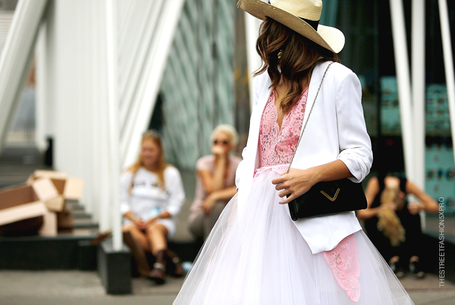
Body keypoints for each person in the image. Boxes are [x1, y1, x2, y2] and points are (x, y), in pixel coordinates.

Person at [174, 0, 414, 304]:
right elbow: (252, 152)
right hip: (258, 218)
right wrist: (241, 203)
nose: (265, 35)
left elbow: (361, 155)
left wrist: (310, 176)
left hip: (312, 218)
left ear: (287, 34)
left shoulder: (337, 79)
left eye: (271, 28)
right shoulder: (265, 82)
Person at [120, 130, 185, 284]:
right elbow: (121, 202)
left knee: (153, 228)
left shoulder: (170, 173)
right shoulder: (130, 173)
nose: (147, 154)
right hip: (135, 220)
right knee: (126, 230)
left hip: (161, 220)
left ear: (159, 151)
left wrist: (155, 218)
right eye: (144, 150)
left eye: (151, 150)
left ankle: (160, 266)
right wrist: (134, 218)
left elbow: (177, 201)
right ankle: (167, 258)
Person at [357, 173, 439, 279]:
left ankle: (414, 260)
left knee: (413, 215)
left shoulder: (405, 184)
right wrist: (382, 208)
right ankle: (393, 260)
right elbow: (362, 213)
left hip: (403, 233)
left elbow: (435, 207)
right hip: (383, 231)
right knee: (380, 219)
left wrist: (420, 206)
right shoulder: (376, 183)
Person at [188, 124, 242, 241]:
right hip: (201, 216)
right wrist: (221, 160)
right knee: (216, 206)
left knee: (220, 206)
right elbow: (212, 189)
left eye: (224, 142)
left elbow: (242, 187)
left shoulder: (238, 164)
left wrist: (215, 196)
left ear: (232, 146)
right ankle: (212, 253)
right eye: (216, 141)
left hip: (228, 215)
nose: (219, 145)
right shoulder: (204, 163)